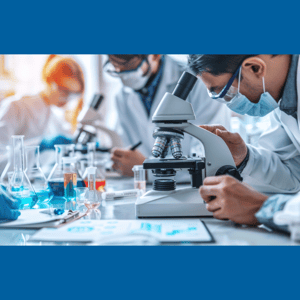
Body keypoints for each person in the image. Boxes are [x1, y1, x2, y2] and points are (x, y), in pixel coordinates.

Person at [187, 54, 300, 231]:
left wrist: (262, 207)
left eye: (226, 93)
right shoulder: (284, 97)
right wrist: (245, 158)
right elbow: (294, 176)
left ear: (254, 67)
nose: (229, 103)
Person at [105, 55, 231, 180]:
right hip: (150, 189)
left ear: (155, 55)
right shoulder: (122, 96)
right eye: (115, 66)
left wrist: (148, 169)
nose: (122, 73)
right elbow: (128, 152)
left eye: (128, 64)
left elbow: (211, 160)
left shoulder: (200, 80)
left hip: (195, 189)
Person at [0, 55, 85, 147]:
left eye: (73, 94)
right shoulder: (15, 107)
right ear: (48, 80)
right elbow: (1, 152)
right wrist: (39, 145)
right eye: (64, 92)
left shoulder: (55, 117)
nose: (67, 99)